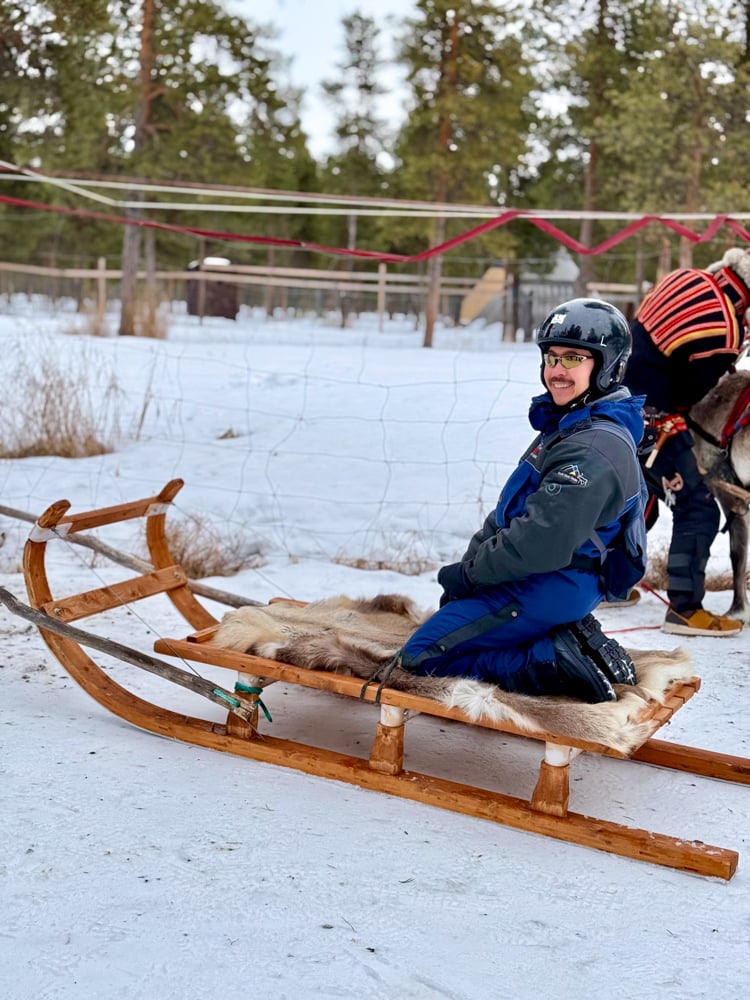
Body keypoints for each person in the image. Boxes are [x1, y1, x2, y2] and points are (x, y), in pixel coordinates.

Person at [393, 298, 647, 703]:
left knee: (420, 656)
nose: (557, 370)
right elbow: (511, 513)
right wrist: (471, 572)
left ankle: (553, 659)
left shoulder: (592, 448)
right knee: (450, 625)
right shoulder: (571, 426)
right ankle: (560, 637)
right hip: (542, 577)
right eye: (551, 357)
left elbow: (539, 542)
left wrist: (471, 576)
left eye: (573, 358)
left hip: (552, 582)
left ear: (607, 366)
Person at [623, 247, 750, 637]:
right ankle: (685, 609)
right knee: (697, 505)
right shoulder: (725, 331)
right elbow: (694, 397)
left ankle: (612, 584)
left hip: (616, 404)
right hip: (652, 419)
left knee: (638, 496)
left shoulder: (686, 277)